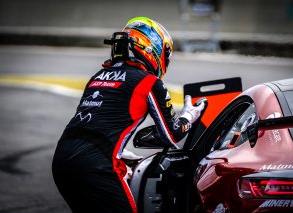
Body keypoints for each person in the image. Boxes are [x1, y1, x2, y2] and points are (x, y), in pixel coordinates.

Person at [52, 16, 205, 213]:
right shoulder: (149, 82)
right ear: (152, 48)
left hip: (61, 160)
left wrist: (119, 151)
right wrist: (189, 115)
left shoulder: (98, 77)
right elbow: (172, 135)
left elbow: (93, 123)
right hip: (96, 164)